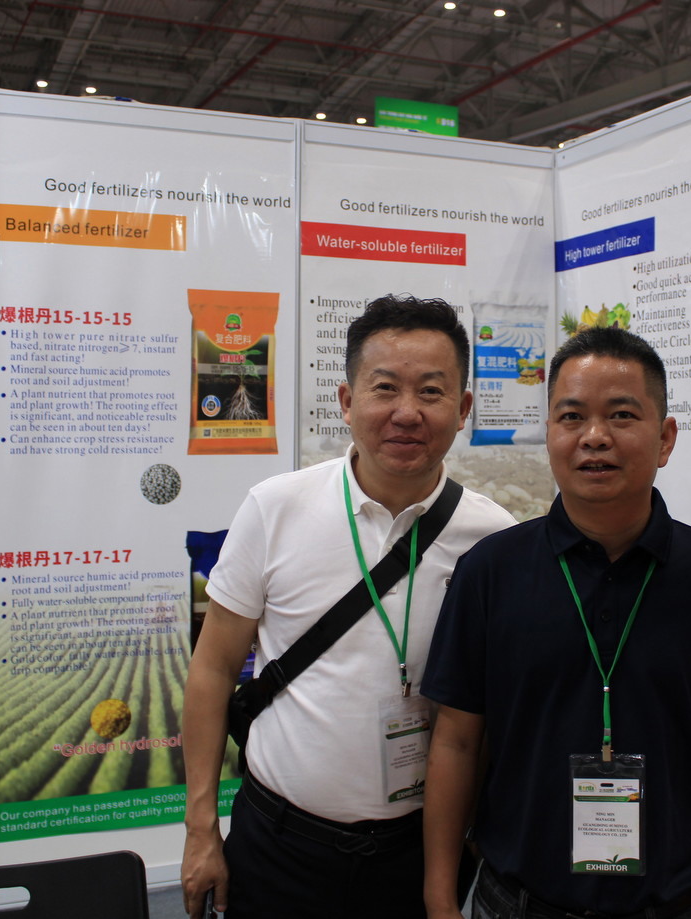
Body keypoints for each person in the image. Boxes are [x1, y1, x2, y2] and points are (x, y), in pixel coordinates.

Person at [421, 327, 691, 919]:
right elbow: (457, 740)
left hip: (680, 906)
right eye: (571, 416)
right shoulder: (490, 572)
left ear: (665, 438)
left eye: (622, 415)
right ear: (550, 432)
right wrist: (440, 895)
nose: (594, 437)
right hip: (516, 903)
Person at [181, 294, 516, 919]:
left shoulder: (494, 538)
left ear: (464, 408)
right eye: (384, 388)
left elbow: (493, 708)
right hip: (279, 843)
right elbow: (213, 669)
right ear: (346, 400)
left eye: (432, 392)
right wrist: (200, 827)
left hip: (419, 853)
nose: (406, 412)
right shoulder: (275, 507)